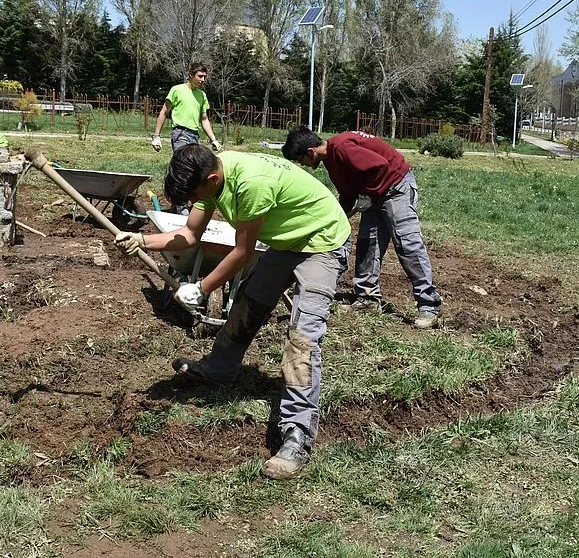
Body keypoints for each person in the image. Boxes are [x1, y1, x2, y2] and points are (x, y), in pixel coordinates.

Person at [113, 144, 350, 480]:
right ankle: (220, 368)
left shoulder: (251, 184)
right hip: (286, 241)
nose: (197, 200)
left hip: (321, 239)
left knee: (302, 337)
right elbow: (190, 234)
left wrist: (202, 287)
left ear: (212, 178)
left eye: (196, 194)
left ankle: (297, 436)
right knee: (248, 304)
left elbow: (242, 252)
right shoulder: (210, 177)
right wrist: (142, 239)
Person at [282, 127, 441, 329]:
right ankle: (367, 299)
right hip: (376, 194)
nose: (302, 165)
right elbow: (348, 194)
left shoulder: (341, 147)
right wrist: (336, 217)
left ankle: (428, 305)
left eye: (300, 160)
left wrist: (366, 195)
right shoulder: (332, 161)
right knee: (368, 245)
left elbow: (379, 165)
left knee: (407, 244)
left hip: (396, 186)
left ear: (311, 152)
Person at [151, 63, 222, 214]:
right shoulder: (177, 90)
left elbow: (204, 119)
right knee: (184, 167)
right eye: (200, 76)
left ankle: (183, 201)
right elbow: (164, 112)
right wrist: (156, 136)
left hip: (194, 136)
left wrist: (213, 139)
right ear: (191, 74)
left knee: (195, 170)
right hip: (180, 134)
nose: (202, 80)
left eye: (204, 77)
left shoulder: (202, 95)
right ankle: (181, 206)